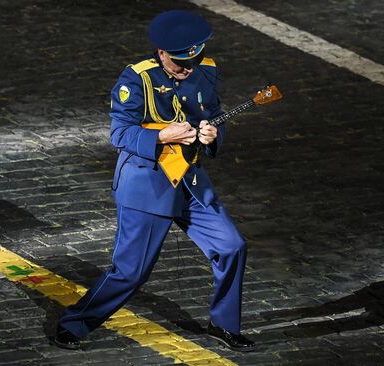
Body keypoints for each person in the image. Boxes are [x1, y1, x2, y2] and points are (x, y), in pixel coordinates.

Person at [55, 10, 255, 352]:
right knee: (131, 272)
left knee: (231, 246)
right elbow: (119, 133)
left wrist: (213, 134)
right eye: (179, 62)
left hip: (191, 181)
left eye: (192, 60)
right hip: (148, 185)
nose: (187, 68)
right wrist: (161, 136)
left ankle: (223, 324)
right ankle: (74, 323)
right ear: (162, 53)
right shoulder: (136, 78)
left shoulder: (206, 69)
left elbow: (212, 113)